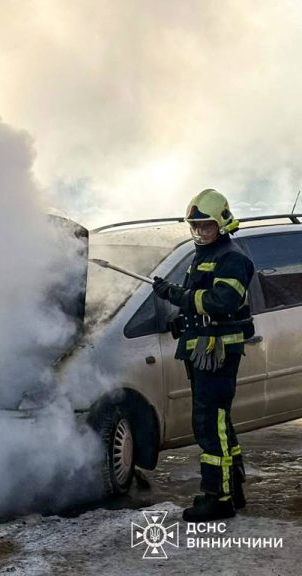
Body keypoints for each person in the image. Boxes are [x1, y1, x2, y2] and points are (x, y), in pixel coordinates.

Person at [152, 189, 254, 522]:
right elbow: (202, 304)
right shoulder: (204, 254)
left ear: (222, 222)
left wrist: (181, 296)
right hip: (203, 348)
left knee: (210, 424)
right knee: (220, 423)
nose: (199, 232)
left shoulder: (232, 258)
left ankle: (218, 498)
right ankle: (232, 489)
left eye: (206, 226)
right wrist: (180, 314)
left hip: (218, 351)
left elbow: (222, 301)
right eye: (195, 226)